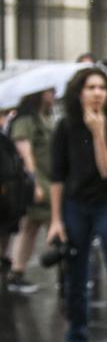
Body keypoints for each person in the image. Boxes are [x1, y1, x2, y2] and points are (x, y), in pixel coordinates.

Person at [44, 66, 107, 342]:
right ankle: (76, 341)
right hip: (76, 207)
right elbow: (57, 176)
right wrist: (56, 219)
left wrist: (99, 133)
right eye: (90, 87)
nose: (97, 93)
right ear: (79, 93)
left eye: (102, 88)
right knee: (75, 277)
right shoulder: (66, 127)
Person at [6, 88, 55, 294]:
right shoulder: (26, 120)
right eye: (50, 91)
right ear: (39, 93)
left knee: (30, 228)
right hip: (39, 183)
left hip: (48, 181)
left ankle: (17, 272)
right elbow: (25, 155)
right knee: (55, 227)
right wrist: (35, 184)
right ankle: (68, 273)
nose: (54, 95)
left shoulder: (42, 117)